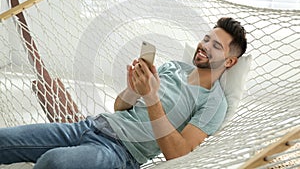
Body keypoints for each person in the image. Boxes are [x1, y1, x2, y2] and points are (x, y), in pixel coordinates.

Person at [0, 17, 247, 169]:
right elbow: (120, 107)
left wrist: (151, 98)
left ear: (230, 62)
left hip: (120, 153)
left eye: (216, 46)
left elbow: (178, 152)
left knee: (53, 162)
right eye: (206, 39)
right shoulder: (173, 67)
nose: (204, 46)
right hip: (90, 125)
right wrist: (132, 89)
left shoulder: (214, 103)